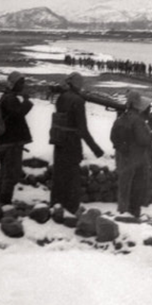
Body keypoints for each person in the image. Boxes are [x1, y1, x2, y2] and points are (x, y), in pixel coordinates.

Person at [50, 72, 104, 214]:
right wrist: (96, 149)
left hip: (59, 141)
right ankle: (71, 210)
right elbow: (82, 129)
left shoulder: (61, 97)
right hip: (72, 144)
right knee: (72, 178)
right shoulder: (78, 101)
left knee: (59, 176)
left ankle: (56, 207)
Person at [110, 91, 152, 217]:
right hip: (136, 159)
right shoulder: (138, 120)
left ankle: (123, 211)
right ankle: (133, 215)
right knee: (136, 189)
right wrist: (150, 133)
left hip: (123, 158)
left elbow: (113, 137)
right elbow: (143, 140)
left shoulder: (121, 118)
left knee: (124, 187)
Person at [0, 71, 33, 205]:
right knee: (10, 174)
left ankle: (2, 199)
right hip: (12, 142)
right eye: (20, 83)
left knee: (5, 172)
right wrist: (27, 102)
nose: (23, 85)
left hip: (6, 141)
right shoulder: (11, 99)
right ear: (13, 84)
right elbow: (18, 114)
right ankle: (5, 202)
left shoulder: (6, 97)